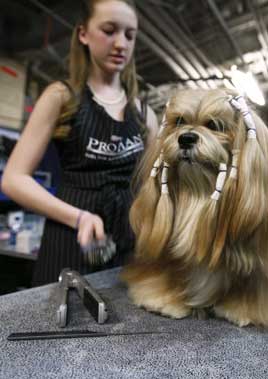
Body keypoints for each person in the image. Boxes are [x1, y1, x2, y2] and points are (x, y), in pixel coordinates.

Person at [1, 0, 158, 286]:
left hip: (128, 246)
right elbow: (13, 179)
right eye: (109, 30)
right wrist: (80, 217)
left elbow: (157, 186)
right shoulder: (62, 97)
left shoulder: (145, 114)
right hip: (69, 241)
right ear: (83, 34)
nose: (121, 43)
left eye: (130, 35)